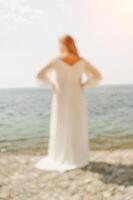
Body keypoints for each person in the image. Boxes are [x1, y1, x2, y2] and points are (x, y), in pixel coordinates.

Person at [35, 34, 102, 172]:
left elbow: (39, 75)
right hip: (77, 96)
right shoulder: (82, 61)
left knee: (61, 123)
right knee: (77, 124)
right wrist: (85, 84)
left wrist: (51, 84)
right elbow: (98, 76)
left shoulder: (56, 60)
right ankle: (77, 156)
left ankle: (60, 155)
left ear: (63, 45)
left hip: (61, 96)